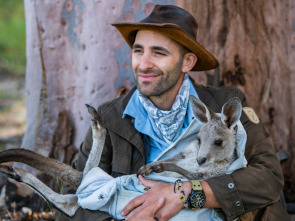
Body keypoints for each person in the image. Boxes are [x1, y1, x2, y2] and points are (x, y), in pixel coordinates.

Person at [56, 4, 289, 221]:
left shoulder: (223, 105)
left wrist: (185, 193)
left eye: (158, 53)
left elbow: (268, 177)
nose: (144, 64)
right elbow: (73, 195)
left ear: (187, 62)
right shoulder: (110, 117)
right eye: (139, 51)